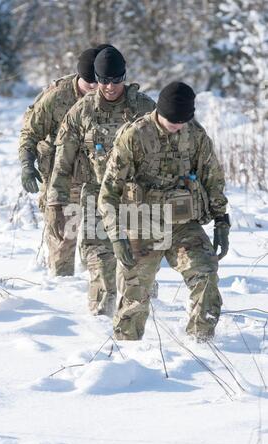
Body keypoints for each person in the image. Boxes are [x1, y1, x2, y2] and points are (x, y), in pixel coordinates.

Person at [98, 82, 230, 342]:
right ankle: (127, 350)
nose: (177, 127)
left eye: (182, 121)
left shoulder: (195, 135)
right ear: (159, 111)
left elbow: (213, 179)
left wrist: (221, 220)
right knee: (135, 293)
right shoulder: (134, 136)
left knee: (205, 274)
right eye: (172, 121)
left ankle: (202, 343)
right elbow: (109, 193)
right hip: (143, 223)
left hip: (183, 223)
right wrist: (116, 236)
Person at [47, 46, 155, 316]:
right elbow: (63, 160)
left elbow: (175, 145)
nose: (110, 87)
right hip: (97, 195)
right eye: (104, 80)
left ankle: (147, 326)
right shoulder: (81, 111)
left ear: (125, 77)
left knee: (140, 268)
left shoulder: (144, 107)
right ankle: (99, 324)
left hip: (137, 196)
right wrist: (57, 202)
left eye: (116, 80)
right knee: (100, 263)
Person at [19, 45, 110, 276]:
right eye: (90, 84)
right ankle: (62, 295)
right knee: (62, 243)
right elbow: (30, 132)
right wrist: (27, 164)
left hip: (99, 179)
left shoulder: (110, 96)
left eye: (98, 83)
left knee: (102, 243)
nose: (94, 90)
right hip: (63, 178)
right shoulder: (57, 96)